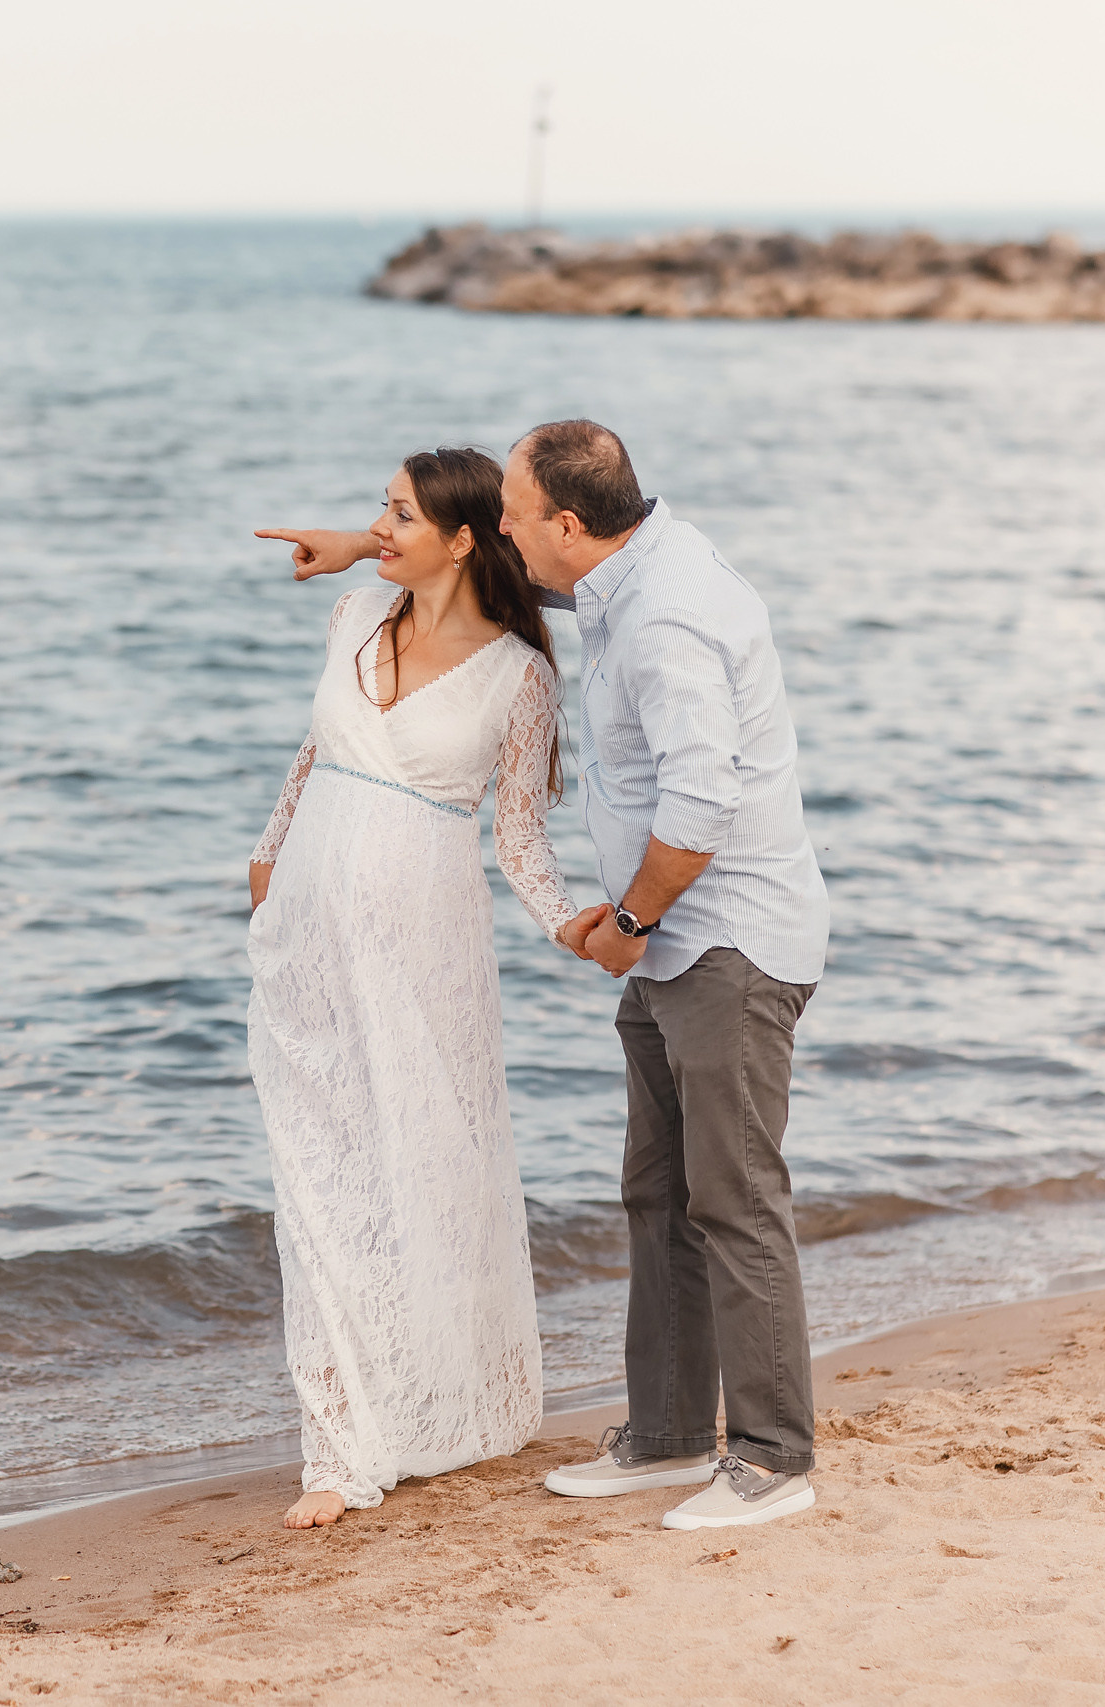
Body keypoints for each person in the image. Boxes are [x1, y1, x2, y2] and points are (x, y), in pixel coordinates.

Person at [256, 420, 829, 1532]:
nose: (509, 537)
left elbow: (701, 807)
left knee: (734, 1203)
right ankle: (665, 1436)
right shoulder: (624, 573)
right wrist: (361, 543)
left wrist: (622, 920)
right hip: (672, 946)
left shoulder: (663, 619)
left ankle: (770, 1461)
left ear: (566, 523)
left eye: (517, 518)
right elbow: (482, 580)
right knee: (659, 1197)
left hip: (722, 940)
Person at [245, 446, 605, 1530]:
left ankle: (415, 1413)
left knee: (424, 1168)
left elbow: (520, 837)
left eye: (397, 513)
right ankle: (339, 1438)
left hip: (425, 945)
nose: (376, 525)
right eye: (376, 510)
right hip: (304, 930)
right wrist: (264, 873)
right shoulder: (355, 613)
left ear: (460, 538)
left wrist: (573, 926)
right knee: (318, 1174)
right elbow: (310, 762)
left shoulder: (521, 676)